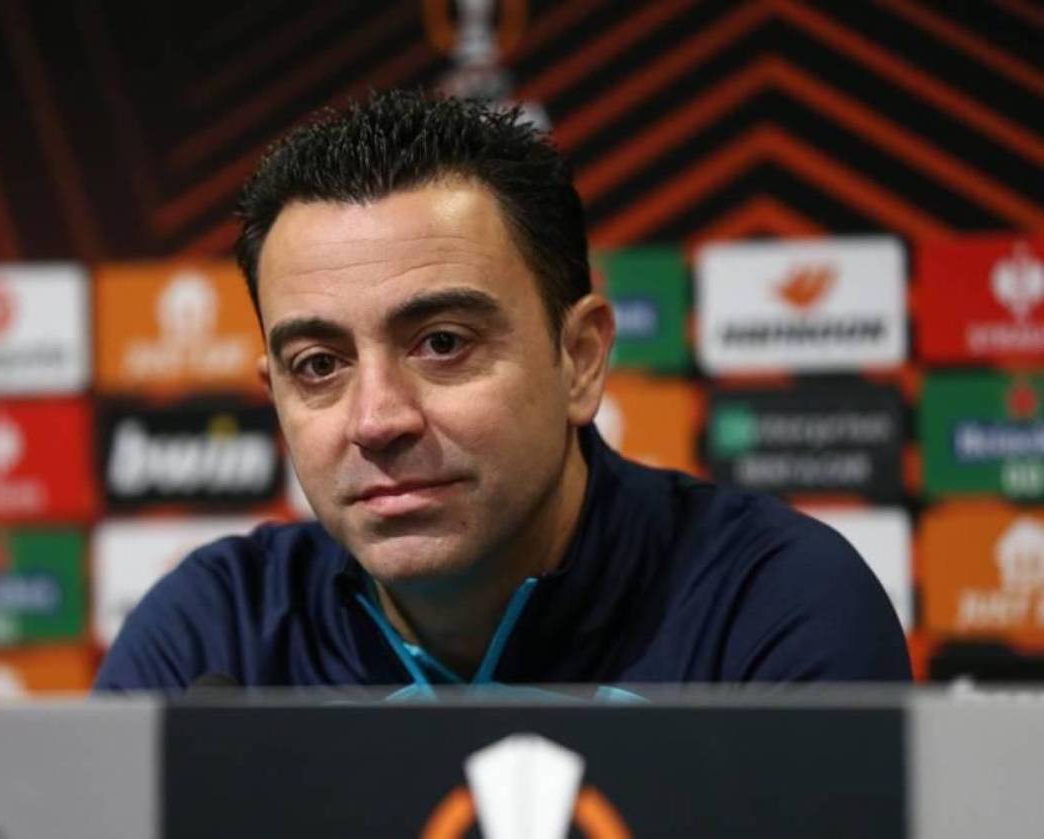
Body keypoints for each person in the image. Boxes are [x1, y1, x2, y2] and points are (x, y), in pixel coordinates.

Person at [94, 90, 910, 695]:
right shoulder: (211, 637)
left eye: (443, 343)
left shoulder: (770, 607)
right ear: (274, 394)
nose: (376, 419)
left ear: (580, 359)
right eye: (318, 365)